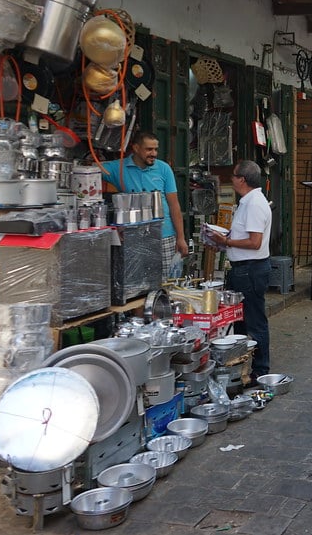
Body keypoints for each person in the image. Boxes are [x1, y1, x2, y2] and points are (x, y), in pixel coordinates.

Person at [206, 160, 272, 379]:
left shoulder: (254, 204)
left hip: (250, 269)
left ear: (242, 179)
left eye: (233, 176)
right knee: (241, 321)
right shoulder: (248, 202)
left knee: (254, 321)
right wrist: (224, 240)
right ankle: (242, 366)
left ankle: (260, 369)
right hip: (245, 268)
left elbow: (254, 242)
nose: (231, 179)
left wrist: (227, 242)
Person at [101, 130, 188, 279]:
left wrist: (181, 237)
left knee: (167, 282)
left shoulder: (163, 168)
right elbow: (92, 168)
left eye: (155, 149)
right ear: (135, 148)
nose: (153, 153)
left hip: (164, 235)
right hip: (134, 237)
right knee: (138, 280)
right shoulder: (119, 168)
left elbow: (174, 205)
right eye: (149, 149)